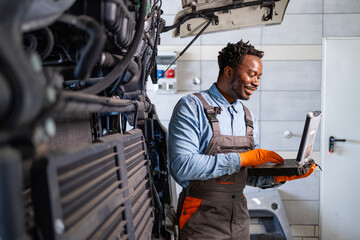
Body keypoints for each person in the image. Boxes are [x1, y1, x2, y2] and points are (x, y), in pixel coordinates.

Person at [168, 40, 316, 240]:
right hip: (201, 215)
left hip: (239, 216)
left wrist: (280, 176)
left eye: (259, 77)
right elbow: (182, 167)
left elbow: (247, 175)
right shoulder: (191, 107)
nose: (256, 82)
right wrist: (242, 159)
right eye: (252, 74)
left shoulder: (246, 116)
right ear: (228, 72)